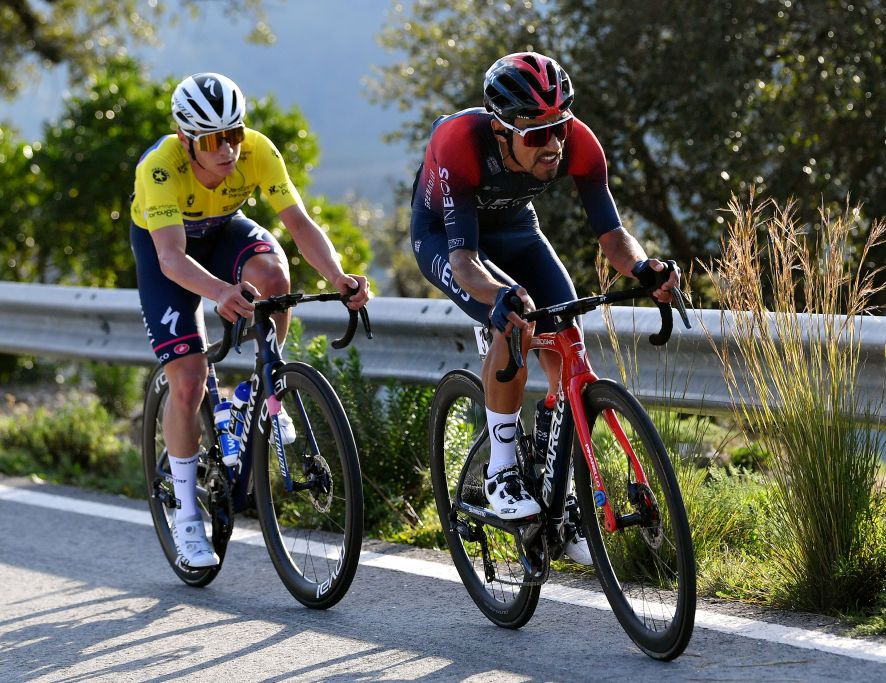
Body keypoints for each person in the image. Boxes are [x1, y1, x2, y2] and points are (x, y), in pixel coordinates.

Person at [409, 52, 679, 565]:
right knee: (516, 322)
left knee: (567, 335)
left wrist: (647, 271)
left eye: (559, 127)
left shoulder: (577, 141)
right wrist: (500, 299)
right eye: (536, 135)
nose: (553, 144)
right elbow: (465, 263)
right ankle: (503, 470)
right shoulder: (460, 143)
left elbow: (613, 236)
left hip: (517, 231)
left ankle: (560, 494)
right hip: (448, 240)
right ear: (501, 129)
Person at [130, 72, 369, 568]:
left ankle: (267, 387)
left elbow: (299, 223)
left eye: (234, 134)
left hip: (221, 232)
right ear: (185, 140)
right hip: (168, 250)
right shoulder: (159, 169)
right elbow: (171, 259)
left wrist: (338, 275)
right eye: (215, 141)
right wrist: (219, 292)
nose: (229, 150)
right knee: (190, 380)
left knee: (275, 279)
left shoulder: (257, 150)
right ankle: (189, 519)